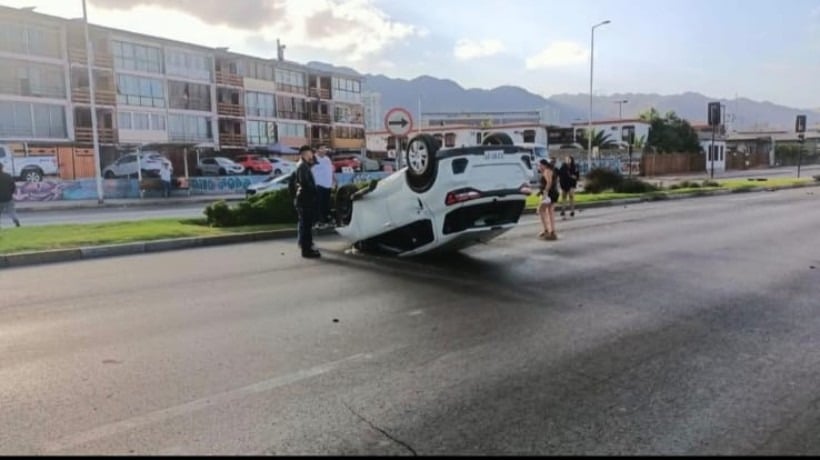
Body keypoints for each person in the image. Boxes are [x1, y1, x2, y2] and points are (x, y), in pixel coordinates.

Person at [294, 145, 321, 259]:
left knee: (306, 225)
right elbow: (305, 183)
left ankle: (307, 246)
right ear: (305, 153)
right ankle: (307, 250)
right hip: (305, 200)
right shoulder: (302, 166)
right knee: (306, 227)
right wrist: (313, 190)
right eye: (310, 153)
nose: (312, 155)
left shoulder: (304, 165)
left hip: (305, 199)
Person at [311, 144, 335, 228]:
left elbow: (331, 171)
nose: (324, 150)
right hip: (318, 185)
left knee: (326, 204)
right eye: (321, 149)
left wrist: (334, 181)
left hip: (327, 185)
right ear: (317, 150)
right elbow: (309, 171)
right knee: (318, 204)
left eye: (325, 149)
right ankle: (316, 221)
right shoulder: (313, 159)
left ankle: (325, 220)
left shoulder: (327, 159)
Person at [536, 159, 559, 241]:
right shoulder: (550, 170)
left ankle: (547, 230)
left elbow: (549, 182)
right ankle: (552, 231)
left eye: (540, 165)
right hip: (553, 193)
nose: (539, 167)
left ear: (544, 165)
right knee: (550, 212)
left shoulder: (547, 171)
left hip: (549, 194)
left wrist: (545, 194)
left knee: (540, 210)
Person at [0, 163, 20, 229]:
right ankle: (16, 221)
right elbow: (13, 186)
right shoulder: (8, 176)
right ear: (2, 168)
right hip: (8, 198)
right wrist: (10, 193)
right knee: (11, 211)